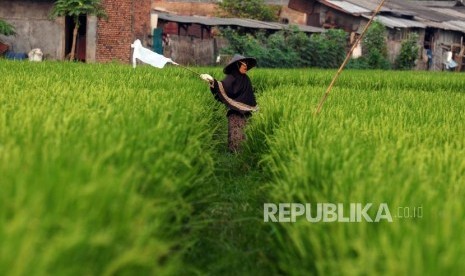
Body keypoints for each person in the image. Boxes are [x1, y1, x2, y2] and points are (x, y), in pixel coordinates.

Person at [200, 54, 258, 152]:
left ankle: (245, 154)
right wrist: (212, 81)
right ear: (237, 65)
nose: (246, 66)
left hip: (246, 113)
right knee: (235, 137)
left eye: (246, 64)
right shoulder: (231, 78)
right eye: (243, 64)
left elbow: (249, 96)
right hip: (235, 112)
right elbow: (222, 87)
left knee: (246, 136)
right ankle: (233, 153)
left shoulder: (246, 79)